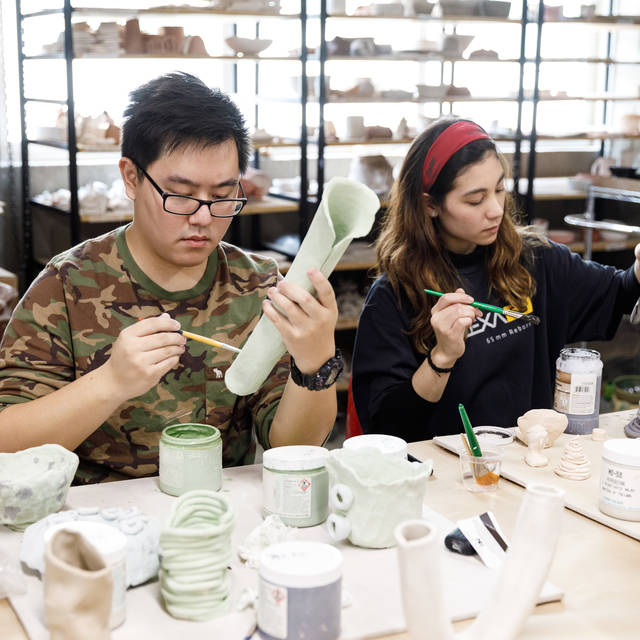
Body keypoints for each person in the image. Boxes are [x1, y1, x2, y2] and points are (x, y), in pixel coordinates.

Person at [0, 72, 342, 483]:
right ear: (131, 177)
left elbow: (291, 449)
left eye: (221, 196)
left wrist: (316, 363)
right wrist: (110, 382)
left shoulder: (260, 286)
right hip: (97, 522)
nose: (202, 218)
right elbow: (8, 442)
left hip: (218, 509)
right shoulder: (66, 284)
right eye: (181, 194)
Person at [352, 118, 640, 442]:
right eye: (475, 200)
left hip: (530, 461)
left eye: (500, 189)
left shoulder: (535, 259)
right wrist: (442, 357)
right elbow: (388, 428)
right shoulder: (394, 295)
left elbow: (621, 293)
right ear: (430, 204)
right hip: (449, 475)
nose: (495, 210)